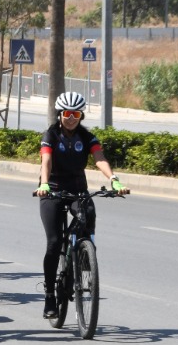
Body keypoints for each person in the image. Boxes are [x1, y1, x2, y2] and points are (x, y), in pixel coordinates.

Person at [34, 91, 124, 319]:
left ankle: (85, 255)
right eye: (67, 113)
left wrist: (113, 179)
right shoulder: (51, 135)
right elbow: (46, 160)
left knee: (88, 213)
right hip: (52, 190)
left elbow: (99, 158)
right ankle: (49, 296)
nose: (71, 118)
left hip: (77, 189)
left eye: (76, 114)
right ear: (59, 114)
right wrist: (44, 184)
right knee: (54, 242)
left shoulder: (86, 136)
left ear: (81, 115)